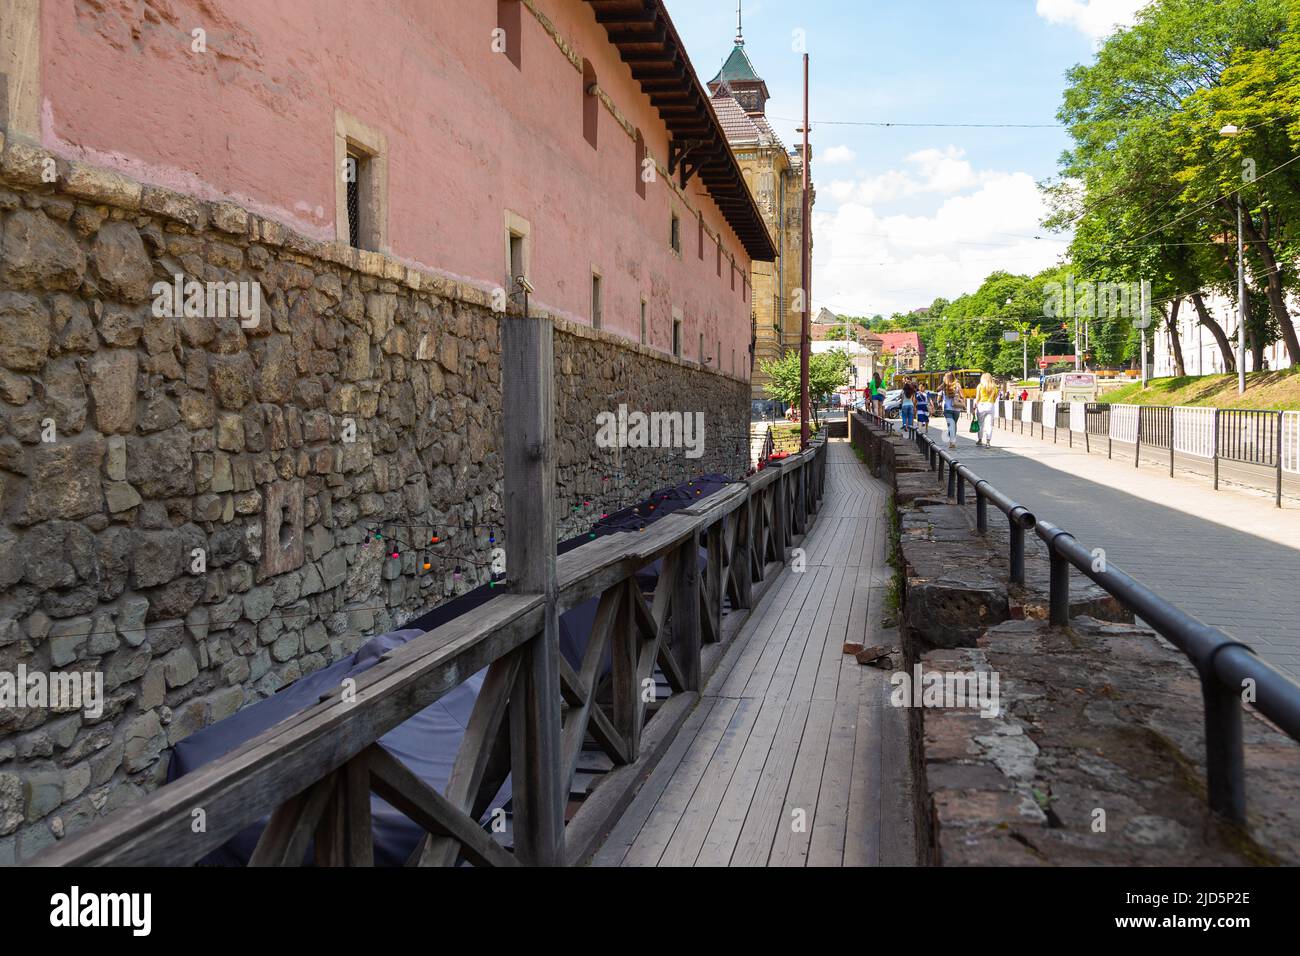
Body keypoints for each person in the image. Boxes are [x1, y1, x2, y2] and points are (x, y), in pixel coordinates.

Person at [975, 372, 998, 448]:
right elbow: (995, 398)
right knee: (989, 424)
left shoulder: (980, 386)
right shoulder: (994, 387)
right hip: (990, 405)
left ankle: (980, 440)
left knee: (980, 424)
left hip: (981, 405)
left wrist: (975, 405)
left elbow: (978, 397)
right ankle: (988, 441)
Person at [940, 372, 962, 449]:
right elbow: (962, 395)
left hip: (948, 408)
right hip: (957, 408)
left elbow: (937, 389)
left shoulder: (945, 384)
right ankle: (952, 441)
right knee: (953, 424)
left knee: (951, 425)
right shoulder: (957, 384)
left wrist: (944, 383)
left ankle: (952, 441)